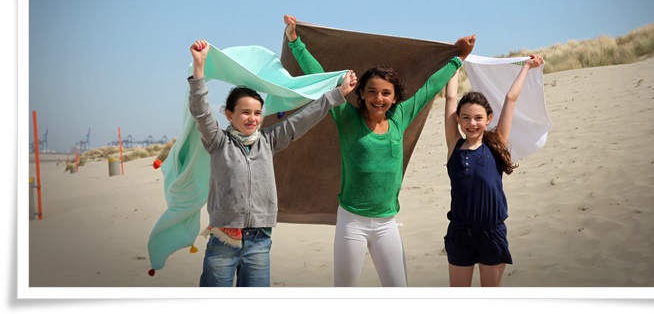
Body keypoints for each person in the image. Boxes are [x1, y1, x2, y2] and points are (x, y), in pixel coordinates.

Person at [283, 15, 476, 287]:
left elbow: (432, 85)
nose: (378, 98)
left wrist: (459, 56)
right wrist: (295, 42)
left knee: (399, 291)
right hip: (352, 223)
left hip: (387, 224)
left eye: (385, 93)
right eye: (372, 92)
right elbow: (323, 79)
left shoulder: (401, 115)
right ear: (361, 93)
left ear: (395, 97)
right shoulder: (347, 117)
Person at [188, 39, 357, 287]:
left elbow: (302, 120)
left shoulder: (268, 141)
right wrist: (199, 67)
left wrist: (337, 95)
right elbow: (201, 112)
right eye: (245, 112)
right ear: (229, 114)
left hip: (259, 241)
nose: (252, 118)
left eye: (257, 113)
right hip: (223, 240)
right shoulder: (217, 141)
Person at [443, 54, 544, 287]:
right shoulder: (454, 146)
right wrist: (456, 63)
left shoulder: (496, 145)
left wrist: (527, 66)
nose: (472, 123)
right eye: (466, 118)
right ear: (458, 119)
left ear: (488, 119)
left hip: (492, 233)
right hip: (460, 233)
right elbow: (450, 97)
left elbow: (510, 99)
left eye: (478, 118)